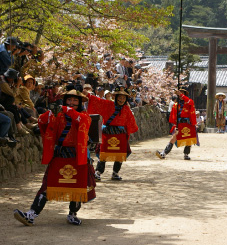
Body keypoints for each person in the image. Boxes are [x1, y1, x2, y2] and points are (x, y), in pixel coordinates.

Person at [13, 89, 95, 226]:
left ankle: (72, 214)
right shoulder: (60, 115)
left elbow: (81, 122)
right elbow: (45, 124)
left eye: (75, 100)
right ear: (65, 101)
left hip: (77, 157)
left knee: (77, 188)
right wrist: (49, 115)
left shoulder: (85, 116)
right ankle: (31, 214)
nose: (72, 103)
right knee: (47, 186)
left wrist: (67, 110)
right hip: (59, 155)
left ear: (80, 103)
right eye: (69, 100)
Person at [85, 86, 138, 181]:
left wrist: (128, 132)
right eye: (120, 97)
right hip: (107, 132)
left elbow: (130, 121)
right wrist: (88, 95)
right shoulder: (108, 105)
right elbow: (97, 101)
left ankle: (115, 172)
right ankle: (98, 172)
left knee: (120, 154)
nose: (121, 100)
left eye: (123, 98)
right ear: (116, 97)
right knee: (103, 153)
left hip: (120, 134)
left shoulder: (126, 109)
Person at [156, 89, 197, 160]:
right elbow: (174, 116)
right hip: (179, 124)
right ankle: (164, 153)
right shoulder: (176, 105)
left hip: (188, 123)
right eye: (179, 94)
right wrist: (175, 124)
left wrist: (181, 94)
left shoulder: (189, 102)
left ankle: (186, 154)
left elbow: (189, 102)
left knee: (189, 140)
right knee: (173, 138)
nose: (180, 95)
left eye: (182, 94)